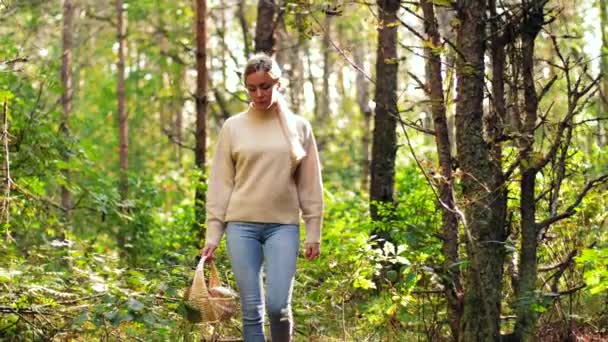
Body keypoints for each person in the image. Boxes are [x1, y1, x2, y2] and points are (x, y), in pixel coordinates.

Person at [200, 53, 324, 342]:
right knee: (252, 311)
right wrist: (213, 233)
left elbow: (310, 184)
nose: (259, 93)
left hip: (283, 226)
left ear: (278, 84)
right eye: (252, 88)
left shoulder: (299, 127)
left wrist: (313, 231)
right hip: (240, 227)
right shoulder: (233, 127)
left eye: (266, 86)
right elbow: (221, 184)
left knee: (279, 306)